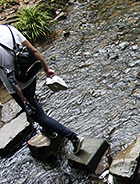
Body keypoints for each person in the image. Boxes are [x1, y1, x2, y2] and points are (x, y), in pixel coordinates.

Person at [0, 24, 81, 153]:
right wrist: (46, 69)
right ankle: (48, 130)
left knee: (38, 115)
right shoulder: (8, 29)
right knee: (33, 101)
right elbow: (34, 51)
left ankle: (73, 137)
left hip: (18, 87)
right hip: (30, 75)